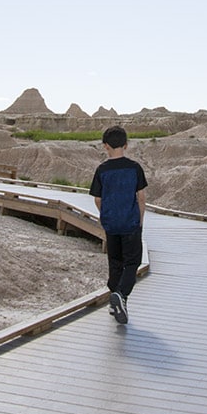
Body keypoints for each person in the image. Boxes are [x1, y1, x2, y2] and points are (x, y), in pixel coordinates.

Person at [89, 125, 147, 325]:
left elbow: (97, 199)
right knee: (132, 262)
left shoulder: (102, 170)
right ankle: (121, 295)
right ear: (126, 145)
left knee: (115, 263)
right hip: (130, 223)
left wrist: (106, 215)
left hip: (111, 224)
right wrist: (140, 220)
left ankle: (117, 299)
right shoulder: (134, 168)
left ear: (105, 146)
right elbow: (141, 197)